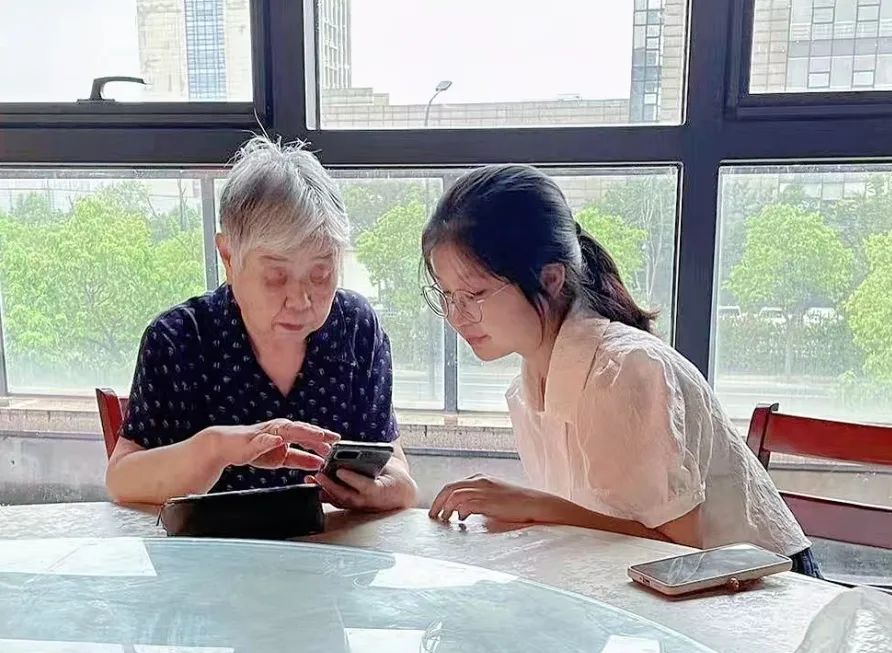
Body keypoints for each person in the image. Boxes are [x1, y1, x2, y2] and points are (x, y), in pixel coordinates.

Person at [421, 164, 820, 577]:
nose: (455, 316)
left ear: (551, 279)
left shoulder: (624, 371)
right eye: (446, 295)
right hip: (670, 589)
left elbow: (678, 552)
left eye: (475, 294)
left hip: (766, 588)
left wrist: (533, 505)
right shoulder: (527, 387)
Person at [106, 136, 417, 512]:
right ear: (228, 257)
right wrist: (215, 449)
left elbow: (396, 471)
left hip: (329, 544)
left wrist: (385, 490)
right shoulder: (179, 340)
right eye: (275, 277)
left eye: (320, 274)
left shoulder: (355, 328)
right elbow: (122, 479)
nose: (299, 300)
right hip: (213, 546)